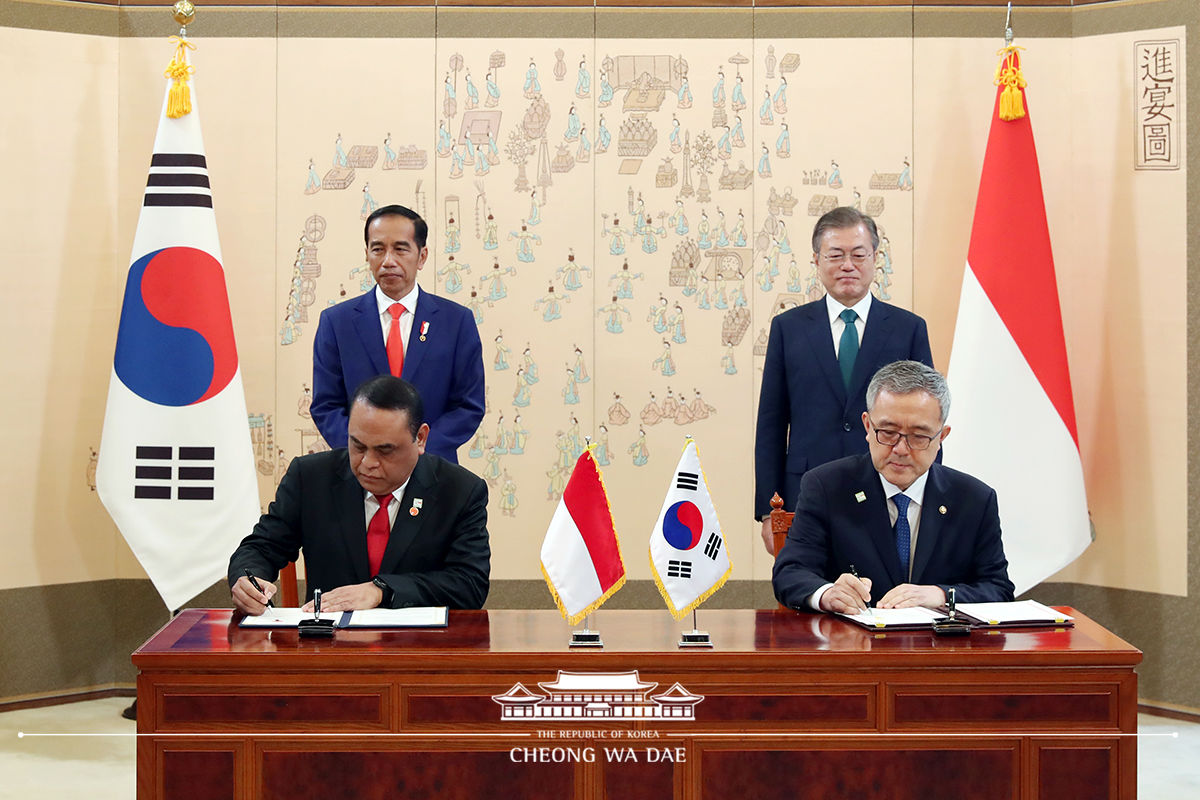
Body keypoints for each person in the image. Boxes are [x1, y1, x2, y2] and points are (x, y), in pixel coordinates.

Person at [230, 376, 490, 614]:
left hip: (418, 651)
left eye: (385, 450)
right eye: (358, 445)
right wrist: (247, 579)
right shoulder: (310, 478)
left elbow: (469, 585)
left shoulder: (459, 491)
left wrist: (381, 590)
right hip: (331, 649)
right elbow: (261, 547)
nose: (367, 462)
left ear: (420, 438)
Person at [755, 207, 933, 553]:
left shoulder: (908, 329)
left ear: (875, 258)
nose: (847, 265)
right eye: (835, 255)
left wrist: (926, 496)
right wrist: (767, 511)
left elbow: (928, 421)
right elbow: (771, 425)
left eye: (858, 254)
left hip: (887, 488)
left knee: (883, 598)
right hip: (803, 493)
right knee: (805, 593)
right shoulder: (788, 329)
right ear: (817, 260)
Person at [772, 361, 1014, 612]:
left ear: (941, 437)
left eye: (919, 436)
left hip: (940, 647)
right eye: (887, 432)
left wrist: (941, 594)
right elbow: (790, 573)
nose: (900, 449)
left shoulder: (974, 499)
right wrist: (828, 594)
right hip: (853, 644)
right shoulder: (825, 487)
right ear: (867, 425)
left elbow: (999, 589)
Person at [311, 205, 485, 462]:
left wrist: (417, 451)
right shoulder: (337, 323)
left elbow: (468, 405)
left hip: (433, 471)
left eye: (401, 249)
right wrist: (365, 451)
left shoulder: (456, 322)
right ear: (367, 254)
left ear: (422, 256)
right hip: (361, 472)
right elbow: (326, 406)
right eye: (378, 249)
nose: (388, 260)